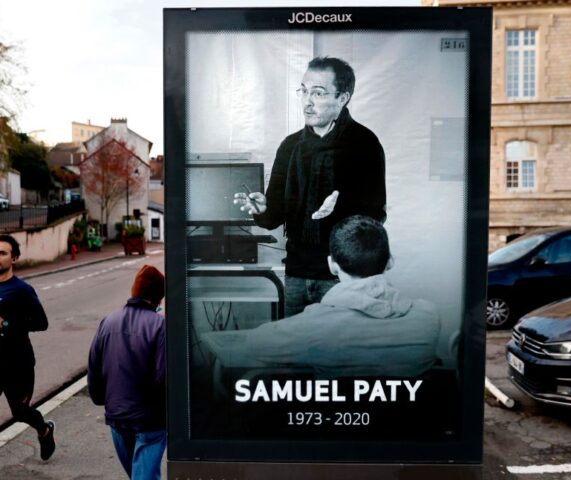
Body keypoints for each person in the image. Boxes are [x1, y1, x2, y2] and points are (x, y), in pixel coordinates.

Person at [234, 56, 387, 316]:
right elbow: (273, 218)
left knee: (338, 354)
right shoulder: (290, 146)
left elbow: (376, 217)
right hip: (296, 275)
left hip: (343, 278)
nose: (307, 101)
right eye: (304, 91)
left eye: (318, 93)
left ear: (343, 98)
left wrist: (340, 210)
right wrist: (261, 208)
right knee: (295, 353)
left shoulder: (365, 144)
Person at [205, 216, 441, 378]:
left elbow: (250, 346)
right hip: (400, 438)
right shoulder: (428, 317)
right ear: (391, 260)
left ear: (332, 265)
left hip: (336, 438)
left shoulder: (309, 326)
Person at [88, 265, 166, 480]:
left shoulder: (108, 321)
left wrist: (100, 399)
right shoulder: (160, 325)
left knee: (136, 475)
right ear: (158, 297)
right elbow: (163, 377)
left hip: (117, 416)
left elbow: (94, 366)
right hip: (150, 419)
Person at [0, 234, 55, 460]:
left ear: (14, 258)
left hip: (17, 363)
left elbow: (42, 323)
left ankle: (44, 430)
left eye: (3, 253)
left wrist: (7, 323)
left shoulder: (22, 290)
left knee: (20, 412)